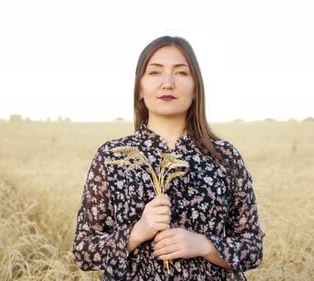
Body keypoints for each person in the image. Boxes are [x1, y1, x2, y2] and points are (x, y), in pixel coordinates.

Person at [73, 35, 264, 280]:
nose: (168, 83)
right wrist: (137, 232)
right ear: (140, 88)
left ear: (196, 89)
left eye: (181, 73)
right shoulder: (112, 157)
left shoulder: (225, 157)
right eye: (155, 72)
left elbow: (253, 249)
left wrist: (204, 245)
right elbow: (83, 251)